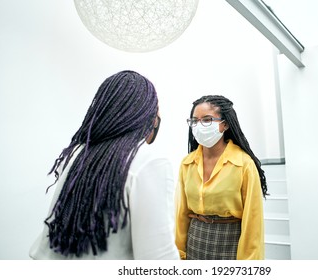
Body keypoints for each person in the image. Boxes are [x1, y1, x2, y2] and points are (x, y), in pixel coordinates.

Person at [29, 70, 179, 260]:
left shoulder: (76, 154)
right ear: (145, 115)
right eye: (156, 111)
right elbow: (158, 259)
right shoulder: (149, 163)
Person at [175, 95, 268, 260]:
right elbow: (181, 214)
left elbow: (253, 220)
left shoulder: (243, 164)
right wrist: (179, 254)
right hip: (195, 240)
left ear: (224, 124)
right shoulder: (187, 163)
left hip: (229, 241)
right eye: (195, 121)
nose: (199, 126)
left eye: (207, 119)